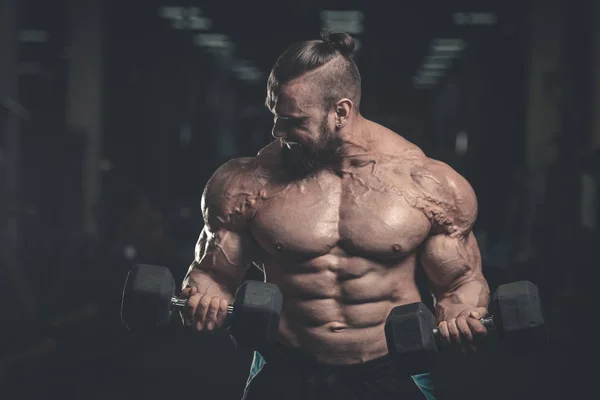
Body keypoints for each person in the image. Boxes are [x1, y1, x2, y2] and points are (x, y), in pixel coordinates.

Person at [180, 31, 490, 400]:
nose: (278, 132)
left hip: (390, 368)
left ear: (340, 112)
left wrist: (461, 315)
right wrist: (204, 299)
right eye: (275, 117)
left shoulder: (426, 184)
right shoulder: (246, 183)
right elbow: (210, 274)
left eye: (294, 121)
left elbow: (460, 283)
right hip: (285, 365)